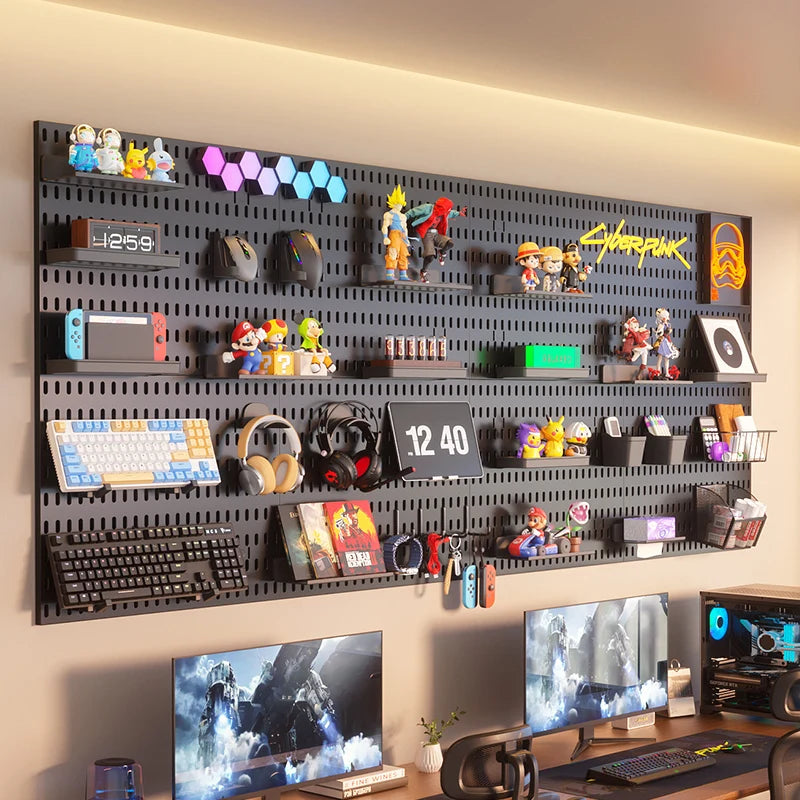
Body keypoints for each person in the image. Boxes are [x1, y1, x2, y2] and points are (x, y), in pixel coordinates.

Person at [406, 196, 467, 282]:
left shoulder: (444, 213)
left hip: (435, 234)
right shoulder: (428, 208)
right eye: (446, 209)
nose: (447, 212)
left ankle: (442, 252)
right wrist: (403, 217)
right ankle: (423, 272)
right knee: (430, 256)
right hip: (426, 234)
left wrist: (458, 213)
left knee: (449, 243)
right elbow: (413, 212)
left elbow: (450, 213)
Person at [381, 185, 411, 281]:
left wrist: (406, 239)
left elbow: (405, 228)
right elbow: (385, 226)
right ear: (393, 203)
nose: (400, 206)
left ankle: (403, 274)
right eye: (398, 203)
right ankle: (390, 274)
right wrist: (385, 237)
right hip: (394, 234)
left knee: (403, 254)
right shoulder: (388, 214)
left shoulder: (403, 216)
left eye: (401, 204)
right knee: (393, 252)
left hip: (402, 236)